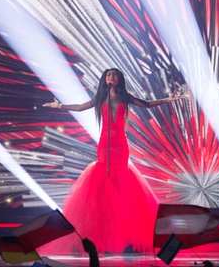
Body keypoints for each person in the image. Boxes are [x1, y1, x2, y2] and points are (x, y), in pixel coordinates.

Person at [40, 68, 186, 254]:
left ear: (119, 79)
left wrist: (169, 99)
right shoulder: (101, 97)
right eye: (109, 75)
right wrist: (60, 106)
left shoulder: (125, 97)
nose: (112, 78)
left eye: (115, 75)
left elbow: (147, 104)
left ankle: (124, 236)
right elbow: (80, 107)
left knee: (120, 184)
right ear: (105, 79)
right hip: (104, 144)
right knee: (102, 186)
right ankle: (101, 234)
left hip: (120, 144)